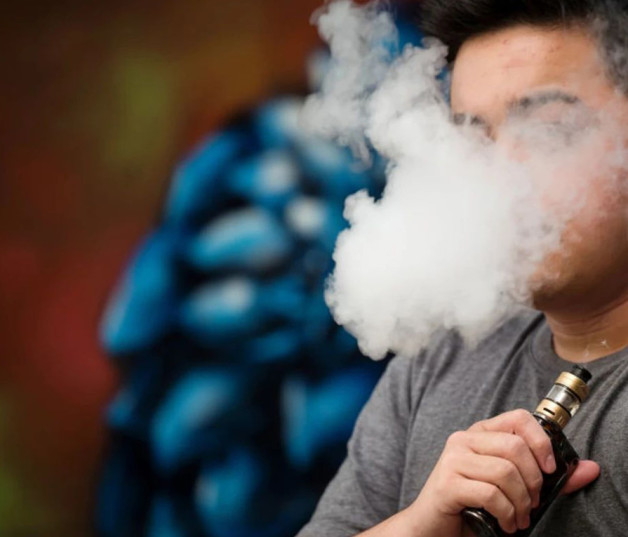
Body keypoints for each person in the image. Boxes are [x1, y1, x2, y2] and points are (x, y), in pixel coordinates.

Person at [296, 1, 628, 536]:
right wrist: (422, 525)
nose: (498, 172)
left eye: (548, 129)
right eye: (473, 140)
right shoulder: (443, 359)